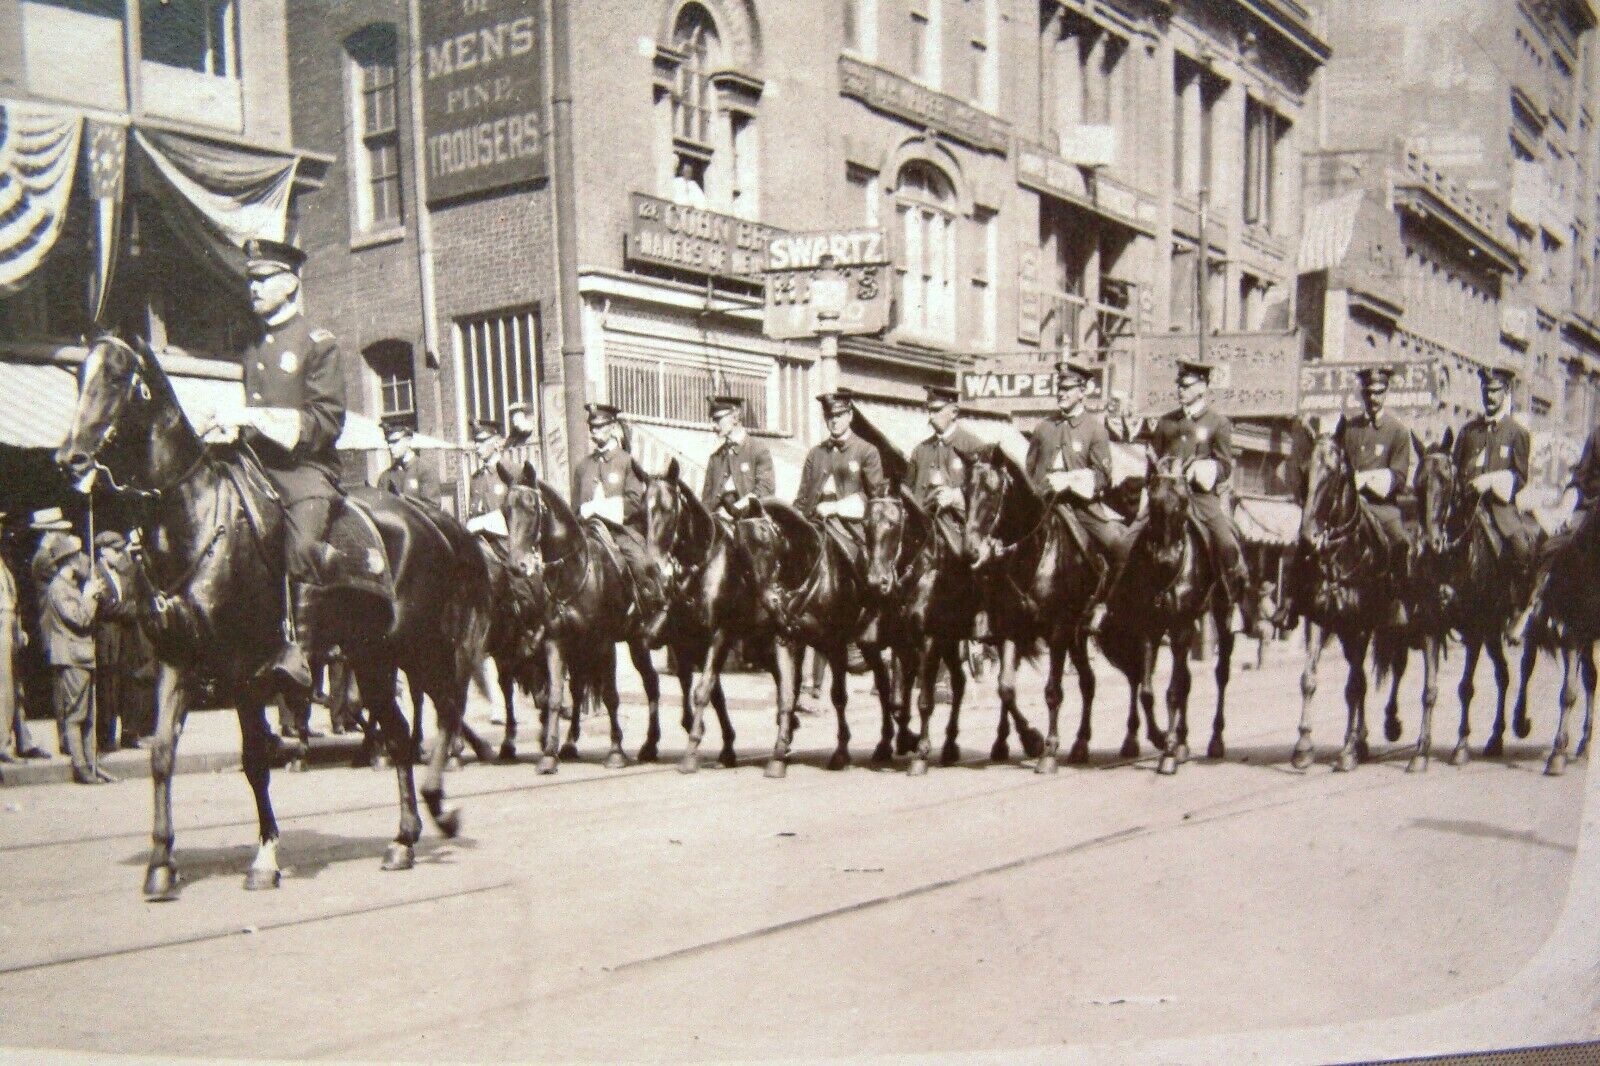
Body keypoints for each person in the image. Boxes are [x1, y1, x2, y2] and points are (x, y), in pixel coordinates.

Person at [197, 238, 348, 696]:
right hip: (257, 470)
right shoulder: (252, 347)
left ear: (290, 283)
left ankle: (300, 652)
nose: (255, 288)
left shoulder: (317, 344)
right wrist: (225, 431)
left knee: (302, 546)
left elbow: (326, 422)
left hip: (306, 471)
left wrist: (255, 419)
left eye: (264, 280)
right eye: (252, 280)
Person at [1149, 356, 1255, 630]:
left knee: (1227, 543)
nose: (1180, 390)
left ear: (1202, 387)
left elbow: (1225, 466)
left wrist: (1205, 468)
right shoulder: (1165, 423)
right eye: (1179, 385)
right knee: (1128, 539)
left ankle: (1234, 600)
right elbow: (1153, 462)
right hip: (1167, 501)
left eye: (1186, 385)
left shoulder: (1218, 423)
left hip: (1200, 499)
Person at [1027, 360, 1132, 632]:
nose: (1061, 393)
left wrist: (1072, 481)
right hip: (1044, 508)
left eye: (1068, 388)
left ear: (1082, 391)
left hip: (1082, 509)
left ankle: (1104, 605)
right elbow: (1030, 472)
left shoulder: (1095, 429)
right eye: (1059, 388)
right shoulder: (1043, 428)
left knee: (1119, 547)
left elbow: (1103, 476)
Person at [1453, 365, 1537, 640]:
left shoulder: (1517, 433)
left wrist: (1491, 481)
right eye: (1486, 391)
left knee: (1521, 548)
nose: (1489, 397)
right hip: (1467, 509)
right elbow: (1455, 470)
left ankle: (1516, 609)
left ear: (1506, 392)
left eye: (1495, 391)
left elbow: (1520, 476)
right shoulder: (1468, 432)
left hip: (1500, 509)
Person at [572, 402, 669, 641]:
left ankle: (652, 612)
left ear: (613, 427)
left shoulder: (627, 462)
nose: (594, 432)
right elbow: (575, 504)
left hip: (621, 530)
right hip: (589, 532)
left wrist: (603, 507)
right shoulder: (584, 466)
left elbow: (635, 502)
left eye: (600, 427)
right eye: (592, 427)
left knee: (639, 562)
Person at [1336, 365, 1415, 625]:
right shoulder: (1350, 428)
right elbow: (1338, 464)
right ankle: (1298, 601)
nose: (1374, 398)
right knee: (1316, 538)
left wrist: (1365, 480)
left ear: (1386, 393)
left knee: (1401, 543)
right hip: (1349, 505)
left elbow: (1399, 477)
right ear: (1362, 394)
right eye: (1369, 393)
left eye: (1379, 392)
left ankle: (1401, 601)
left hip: (1383, 507)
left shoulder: (1398, 431)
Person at [39, 533, 113, 784]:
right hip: (72, 658)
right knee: (76, 715)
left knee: (90, 714)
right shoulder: (58, 590)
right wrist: (89, 595)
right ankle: (80, 767)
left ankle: (91, 765)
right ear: (68, 561)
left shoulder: (70, 587)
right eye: (77, 556)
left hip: (82, 656)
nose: (83, 560)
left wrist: (91, 593)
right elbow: (80, 619)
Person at [905, 385, 982, 554]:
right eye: (929, 411)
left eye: (936, 410)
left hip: (957, 535)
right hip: (920, 535)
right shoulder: (920, 450)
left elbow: (984, 496)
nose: (931, 417)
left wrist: (957, 497)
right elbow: (908, 491)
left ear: (954, 412)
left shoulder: (973, 446)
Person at [0, 517, 46, 763]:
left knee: (17, 689)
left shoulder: (5, 565)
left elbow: (13, 603)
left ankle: (23, 740)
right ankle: (3, 744)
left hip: (10, 626)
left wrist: (19, 629)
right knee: (4, 689)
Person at [700, 395, 775, 519]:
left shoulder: (758, 449)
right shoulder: (715, 458)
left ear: (735, 417)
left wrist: (735, 509)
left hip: (749, 521)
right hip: (718, 523)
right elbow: (706, 500)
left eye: (717, 419)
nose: (714, 426)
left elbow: (765, 489)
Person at [376, 420, 442, 506]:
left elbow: (432, 507)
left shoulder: (425, 471)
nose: (390, 446)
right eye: (388, 442)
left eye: (395, 442)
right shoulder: (385, 477)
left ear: (408, 441)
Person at [465, 420, 510, 535]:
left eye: (482, 441)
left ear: (496, 443)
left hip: (505, 544)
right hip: (481, 544)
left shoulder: (509, 473)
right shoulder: (476, 478)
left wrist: (485, 522)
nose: (477, 447)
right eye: (476, 442)